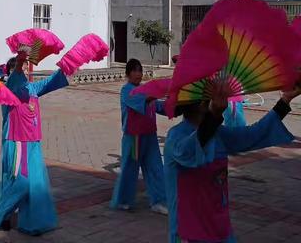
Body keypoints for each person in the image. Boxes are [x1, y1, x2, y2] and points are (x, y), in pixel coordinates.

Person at [164, 83, 301, 243]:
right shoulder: (175, 137)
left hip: (219, 226)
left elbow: (253, 134)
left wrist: (285, 100)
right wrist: (213, 116)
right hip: (191, 231)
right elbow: (188, 151)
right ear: (200, 104)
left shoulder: (219, 133)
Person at [0, 52, 69, 235]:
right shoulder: (10, 87)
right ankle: (1, 215)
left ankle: (32, 223)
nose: (24, 70)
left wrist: (69, 64)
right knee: (20, 182)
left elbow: (52, 81)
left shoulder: (33, 88)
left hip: (33, 141)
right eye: (20, 68)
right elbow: (16, 76)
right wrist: (20, 60)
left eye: (26, 68)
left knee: (35, 184)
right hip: (17, 141)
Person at [110, 58, 168, 214]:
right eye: (134, 70)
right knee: (129, 169)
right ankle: (123, 200)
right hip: (134, 138)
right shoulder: (127, 90)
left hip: (150, 136)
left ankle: (159, 200)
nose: (138, 74)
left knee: (156, 168)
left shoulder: (146, 90)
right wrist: (159, 91)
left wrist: (175, 105)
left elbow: (158, 106)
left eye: (140, 70)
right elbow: (144, 100)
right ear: (128, 73)